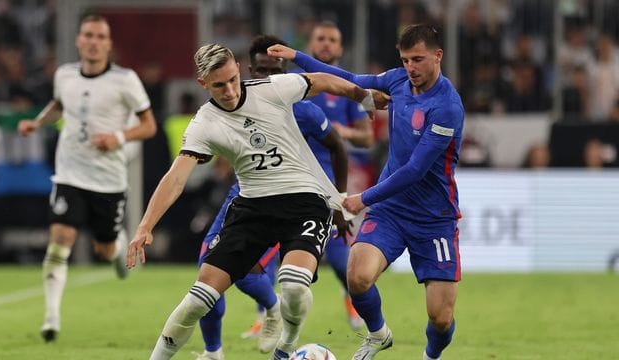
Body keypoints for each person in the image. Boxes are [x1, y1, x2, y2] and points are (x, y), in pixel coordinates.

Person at [126, 43, 383, 360]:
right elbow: (175, 178)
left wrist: (364, 96)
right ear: (203, 84)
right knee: (197, 299)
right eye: (219, 85)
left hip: (305, 201)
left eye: (233, 79)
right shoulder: (204, 122)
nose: (230, 90)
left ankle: (286, 346)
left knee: (292, 285)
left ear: (238, 68)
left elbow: (323, 80)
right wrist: (145, 226)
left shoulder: (271, 89)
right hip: (252, 208)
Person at [269, 23, 464, 360]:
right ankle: (378, 333)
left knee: (441, 318)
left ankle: (431, 355)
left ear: (438, 56)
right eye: (405, 60)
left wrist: (363, 199)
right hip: (391, 211)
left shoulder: (447, 107)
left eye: (418, 59)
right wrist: (297, 57)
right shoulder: (398, 80)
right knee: (358, 277)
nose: (411, 68)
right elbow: (351, 80)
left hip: (434, 218)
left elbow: (415, 171)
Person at [193, 34, 350, 360]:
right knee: (210, 265)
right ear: (250, 69)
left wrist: (339, 199)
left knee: (339, 270)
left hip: (304, 200)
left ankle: (364, 324)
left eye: (277, 70)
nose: (270, 78)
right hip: (249, 198)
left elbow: (338, 146)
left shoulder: (302, 110)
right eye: (263, 70)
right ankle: (217, 348)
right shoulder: (234, 106)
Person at [17, 14, 157, 342]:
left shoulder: (125, 80)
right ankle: (51, 317)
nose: (93, 42)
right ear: (79, 40)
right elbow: (58, 105)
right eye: (88, 35)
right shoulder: (64, 75)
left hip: (108, 179)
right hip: (69, 173)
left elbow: (148, 125)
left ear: (108, 44)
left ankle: (118, 245)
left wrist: (118, 138)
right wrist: (37, 123)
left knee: (104, 249)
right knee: (61, 238)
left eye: (100, 36)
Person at [301, 21, 374, 330]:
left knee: (338, 250)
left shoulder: (347, 89)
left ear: (341, 48)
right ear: (310, 45)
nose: (327, 44)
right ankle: (265, 314)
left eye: (333, 39)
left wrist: (340, 130)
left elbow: (368, 138)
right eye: (321, 39)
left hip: (331, 180)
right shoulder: (296, 81)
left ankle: (354, 299)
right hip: (293, 174)